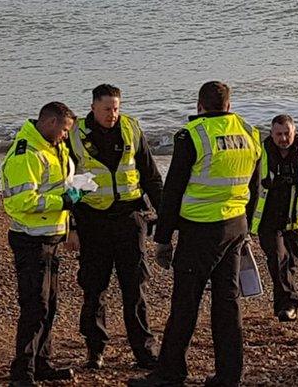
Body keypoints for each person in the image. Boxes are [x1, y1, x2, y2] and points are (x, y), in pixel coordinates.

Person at [128, 82, 261, 387]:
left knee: (185, 305)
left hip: (200, 231)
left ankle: (170, 372)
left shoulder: (192, 135)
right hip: (235, 226)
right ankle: (229, 374)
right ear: (229, 105)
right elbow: (255, 187)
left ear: (200, 106)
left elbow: (173, 190)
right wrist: (248, 228)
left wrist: (162, 240)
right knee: (227, 303)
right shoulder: (249, 132)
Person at [68, 84, 163, 371]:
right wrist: (70, 226)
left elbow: (150, 175)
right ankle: (95, 350)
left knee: (134, 288)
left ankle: (144, 352)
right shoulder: (75, 134)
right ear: (93, 107)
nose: (113, 114)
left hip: (129, 220)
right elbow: (66, 184)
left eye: (117, 108)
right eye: (107, 109)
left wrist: (166, 217)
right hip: (92, 220)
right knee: (94, 288)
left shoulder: (131, 128)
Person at [1, 102, 80, 386]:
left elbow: (58, 185)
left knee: (50, 305)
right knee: (35, 306)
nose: (65, 136)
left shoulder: (52, 147)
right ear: (49, 123)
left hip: (50, 236)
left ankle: (41, 362)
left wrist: (71, 202)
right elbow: (20, 201)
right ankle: (22, 373)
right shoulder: (27, 153)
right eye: (64, 129)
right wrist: (64, 201)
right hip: (30, 239)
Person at [249, 114, 298, 322]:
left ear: (294, 132)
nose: (283, 138)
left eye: (287, 134)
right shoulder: (259, 152)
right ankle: (290, 305)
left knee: (289, 265)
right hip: (267, 221)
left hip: (295, 221)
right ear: (271, 133)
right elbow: (246, 187)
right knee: (277, 260)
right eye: (279, 134)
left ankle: (281, 308)